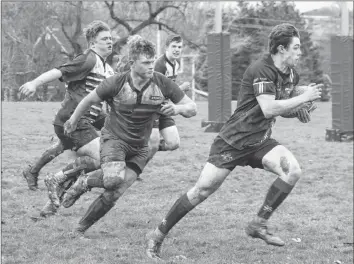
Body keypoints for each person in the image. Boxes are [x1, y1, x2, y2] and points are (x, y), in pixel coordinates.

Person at [145, 23, 324, 260]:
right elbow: (269, 108)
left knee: (292, 170)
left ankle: (258, 223)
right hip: (233, 141)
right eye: (297, 47)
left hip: (260, 140)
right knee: (201, 191)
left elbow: (281, 107)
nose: (300, 52)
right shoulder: (262, 69)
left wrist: (299, 108)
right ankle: (157, 235)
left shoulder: (291, 74)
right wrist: (303, 97)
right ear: (282, 49)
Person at [60, 35, 197, 236]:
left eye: (152, 61)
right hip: (115, 140)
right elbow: (88, 100)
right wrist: (72, 120)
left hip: (140, 147)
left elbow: (192, 107)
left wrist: (176, 109)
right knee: (113, 179)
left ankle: (80, 229)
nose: (152, 67)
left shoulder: (162, 82)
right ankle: (84, 182)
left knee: (116, 192)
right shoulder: (116, 82)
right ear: (132, 64)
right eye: (146, 63)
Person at [19, 20, 115, 191]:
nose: (110, 41)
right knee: (100, 155)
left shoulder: (107, 68)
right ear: (93, 43)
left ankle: (34, 171)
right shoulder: (88, 59)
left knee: (67, 144)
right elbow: (59, 71)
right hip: (74, 118)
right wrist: (34, 83)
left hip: (88, 117)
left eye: (110, 38)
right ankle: (59, 179)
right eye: (105, 39)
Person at [147, 35, 190, 167]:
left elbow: (168, 87)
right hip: (152, 107)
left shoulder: (176, 64)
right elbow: (154, 91)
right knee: (152, 144)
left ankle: (142, 150)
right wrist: (180, 89)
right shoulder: (160, 64)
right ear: (167, 47)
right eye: (174, 46)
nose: (177, 49)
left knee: (173, 143)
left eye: (179, 47)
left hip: (164, 107)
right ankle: (136, 165)